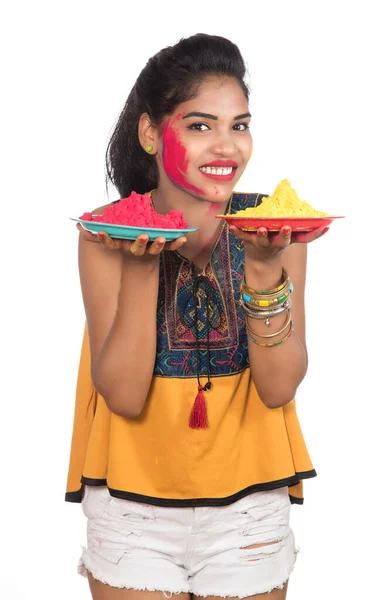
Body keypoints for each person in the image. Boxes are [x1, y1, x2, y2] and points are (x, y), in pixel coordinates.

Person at [65, 32, 327, 600]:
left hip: (249, 509)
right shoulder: (106, 232)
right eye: (201, 125)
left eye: (239, 125)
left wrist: (263, 271)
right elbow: (124, 396)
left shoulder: (274, 228)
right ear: (152, 133)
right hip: (131, 511)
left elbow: (279, 387)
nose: (227, 147)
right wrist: (141, 265)